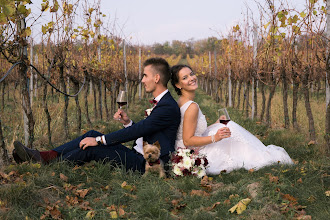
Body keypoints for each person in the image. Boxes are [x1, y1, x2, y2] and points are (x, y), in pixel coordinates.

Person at [13, 57, 181, 173]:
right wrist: (128, 122)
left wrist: (100, 140)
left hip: (145, 164)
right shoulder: (163, 103)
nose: (142, 80)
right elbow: (144, 130)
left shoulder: (167, 106)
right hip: (140, 154)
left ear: (157, 78)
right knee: (92, 134)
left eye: (145, 75)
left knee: (93, 147)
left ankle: (47, 165)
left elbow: (137, 132)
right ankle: (45, 155)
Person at [170, 64, 293, 175]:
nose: (191, 78)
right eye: (185, 78)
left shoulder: (181, 101)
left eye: (191, 74)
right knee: (231, 129)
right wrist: (215, 137)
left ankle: (257, 153)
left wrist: (216, 124)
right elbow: (188, 140)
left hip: (183, 148)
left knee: (226, 126)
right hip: (193, 152)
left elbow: (191, 130)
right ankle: (260, 156)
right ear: (178, 85)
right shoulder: (192, 107)